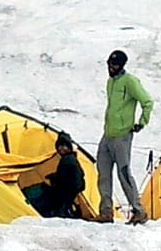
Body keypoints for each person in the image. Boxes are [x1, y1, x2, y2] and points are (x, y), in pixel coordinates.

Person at [98, 50, 152, 224]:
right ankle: (106, 212)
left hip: (122, 136)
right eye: (109, 64)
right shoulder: (111, 82)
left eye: (114, 65)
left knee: (124, 174)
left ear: (121, 66)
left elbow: (147, 101)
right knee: (103, 173)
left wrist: (141, 122)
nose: (111, 68)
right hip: (108, 134)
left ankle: (138, 211)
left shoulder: (130, 81)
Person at [24, 132, 87, 219]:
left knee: (38, 190)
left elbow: (63, 180)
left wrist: (53, 179)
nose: (61, 149)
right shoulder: (72, 159)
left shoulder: (67, 160)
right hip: (68, 193)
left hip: (64, 192)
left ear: (69, 147)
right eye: (60, 146)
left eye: (64, 146)